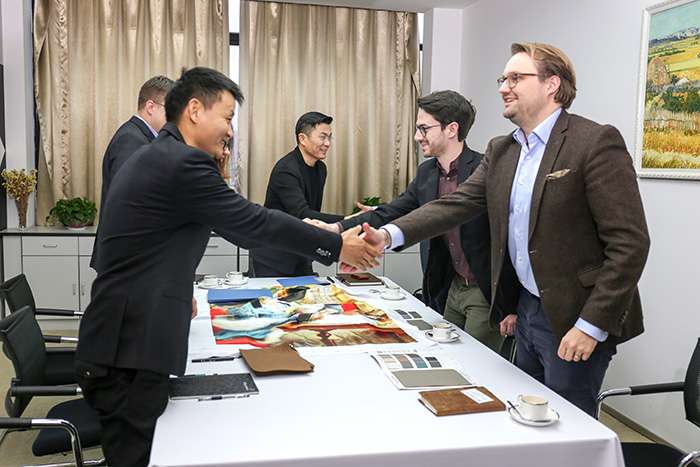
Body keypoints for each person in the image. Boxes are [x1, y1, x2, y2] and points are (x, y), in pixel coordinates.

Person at [74, 67, 381, 467]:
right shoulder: (181, 162)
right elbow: (254, 222)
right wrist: (337, 245)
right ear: (195, 110)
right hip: (128, 350)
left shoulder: (163, 155)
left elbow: (169, 243)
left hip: (128, 340)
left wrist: (181, 289)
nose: (231, 131)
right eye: (228, 117)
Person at [352, 43, 650, 416]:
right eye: (502, 79)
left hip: (574, 314)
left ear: (551, 84)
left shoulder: (594, 142)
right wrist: (387, 235)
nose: (503, 88)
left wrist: (591, 324)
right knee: (525, 412)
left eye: (515, 78)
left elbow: (629, 244)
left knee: (568, 423)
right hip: (527, 309)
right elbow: (455, 205)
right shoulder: (503, 150)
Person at [315, 90, 516, 353]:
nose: (417, 136)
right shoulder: (427, 173)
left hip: (484, 291)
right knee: (446, 355)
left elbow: (510, 238)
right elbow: (391, 211)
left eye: (424, 129)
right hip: (450, 287)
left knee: (476, 362)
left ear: (451, 129)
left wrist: (511, 303)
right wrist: (336, 228)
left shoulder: (483, 170)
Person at [91, 75, 174, 269]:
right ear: (151, 107)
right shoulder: (131, 139)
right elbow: (128, 201)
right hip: (127, 257)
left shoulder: (144, 138)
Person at [249, 111, 345, 277]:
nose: (328, 143)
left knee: (310, 293)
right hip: (273, 256)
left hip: (301, 251)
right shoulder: (286, 169)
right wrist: (348, 220)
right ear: (303, 139)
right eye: (323, 137)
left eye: (330, 138)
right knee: (274, 295)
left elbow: (312, 213)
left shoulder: (320, 168)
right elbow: (302, 213)